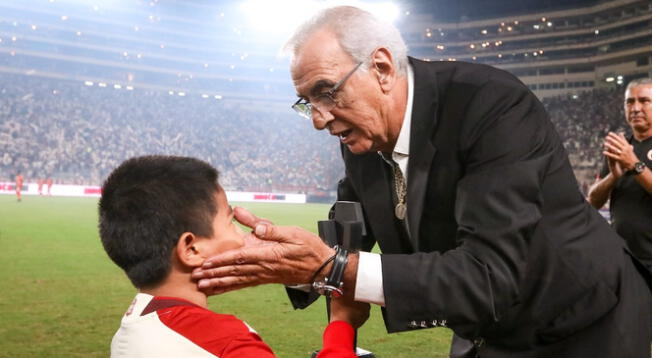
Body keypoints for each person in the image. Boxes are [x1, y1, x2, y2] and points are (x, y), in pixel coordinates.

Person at [194, 6, 652, 358]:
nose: (318, 120)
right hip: (487, 332)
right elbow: (350, 228)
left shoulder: (491, 106)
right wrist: (276, 258)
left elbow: (489, 277)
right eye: (306, 102)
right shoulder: (361, 134)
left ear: (382, 68)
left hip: (582, 326)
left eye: (326, 92)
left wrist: (332, 269)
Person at [98, 155, 361, 358]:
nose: (241, 235)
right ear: (191, 249)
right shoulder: (226, 343)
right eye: (230, 221)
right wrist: (342, 325)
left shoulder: (133, 324)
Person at [588, 78, 652, 270]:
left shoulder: (627, 155)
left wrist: (634, 165)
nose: (635, 108)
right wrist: (613, 177)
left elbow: (635, 165)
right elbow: (593, 201)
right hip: (623, 259)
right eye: (629, 102)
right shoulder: (621, 147)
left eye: (644, 101)